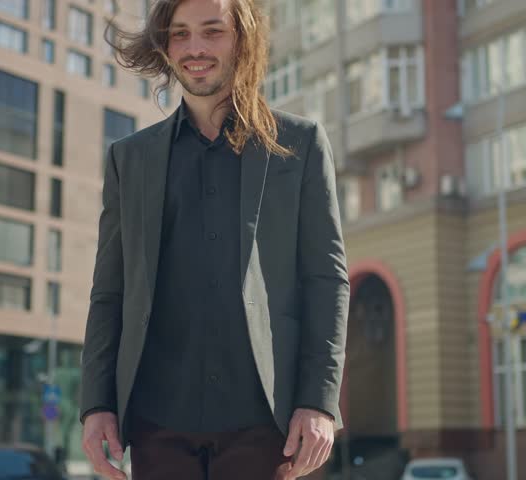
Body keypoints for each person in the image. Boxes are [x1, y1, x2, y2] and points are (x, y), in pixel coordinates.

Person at [78, 1, 350, 479]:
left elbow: (326, 280)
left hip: (265, 425)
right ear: (164, 45)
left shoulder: (301, 145)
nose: (195, 48)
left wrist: (318, 402)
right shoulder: (129, 159)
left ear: (242, 39)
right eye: (180, 34)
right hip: (156, 423)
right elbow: (110, 293)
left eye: (212, 31)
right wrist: (97, 405)